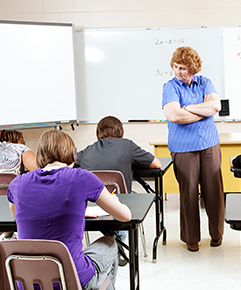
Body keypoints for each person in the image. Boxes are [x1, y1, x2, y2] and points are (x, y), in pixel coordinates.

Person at [8, 130, 131, 290]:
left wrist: (73, 211)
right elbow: (125, 216)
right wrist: (115, 200)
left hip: (28, 282)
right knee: (109, 243)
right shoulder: (82, 177)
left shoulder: (18, 183)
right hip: (72, 279)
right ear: (72, 155)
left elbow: (15, 213)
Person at [162, 46, 224, 252]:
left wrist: (187, 108)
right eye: (176, 67)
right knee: (188, 193)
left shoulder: (206, 82)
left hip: (209, 144)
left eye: (184, 68)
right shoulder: (170, 87)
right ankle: (191, 239)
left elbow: (216, 107)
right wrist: (201, 110)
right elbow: (174, 115)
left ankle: (217, 234)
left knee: (213, 192)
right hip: (183, 147)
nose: (179, 71)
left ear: (193, 69)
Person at [75, 115, 161, 193]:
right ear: (121, 131)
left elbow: (67, 163)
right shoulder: (127, 145)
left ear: (98, 133)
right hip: (121, 202)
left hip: (94, 202)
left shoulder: (86, 151)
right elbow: (157, 164)